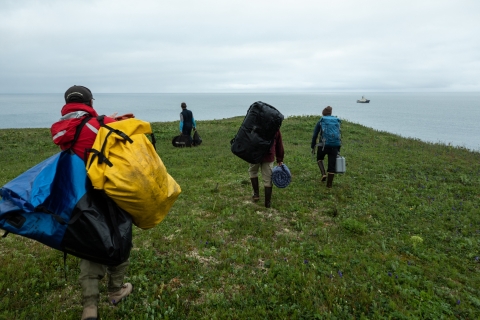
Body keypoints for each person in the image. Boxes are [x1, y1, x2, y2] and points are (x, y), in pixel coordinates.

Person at [50, 85, 134, 320]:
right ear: (89, 102)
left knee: (90, 242)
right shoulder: (99, 121)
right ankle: (116, 290)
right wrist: (116, 119)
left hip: (79, 196)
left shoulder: (63, 129)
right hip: (108, 192)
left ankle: (90, 307)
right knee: (120, 237)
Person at [249, 130, 284, 208]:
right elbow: (279, 143)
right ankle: (267, 203)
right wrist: (280, 159)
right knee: (268, 179)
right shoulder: (275, 125)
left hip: (255, 154)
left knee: (253, 171)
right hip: (269, 155)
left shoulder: (255, 122)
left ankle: (256, 194)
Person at [310, 106, 341, 188]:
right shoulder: (336, 121)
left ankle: (323, 174)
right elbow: (338, 135)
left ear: (323, 113)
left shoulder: (321, 121)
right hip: (334, 145)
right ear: (330, 113)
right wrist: (338, 147)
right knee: (332, 166)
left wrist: (313, 145)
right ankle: (329, 185)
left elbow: (315, 135)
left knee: (319, 159)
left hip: (323, 145)